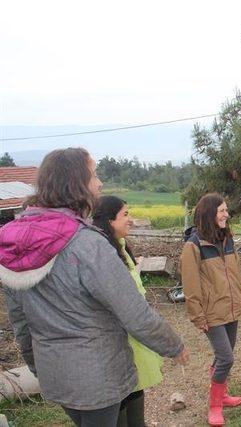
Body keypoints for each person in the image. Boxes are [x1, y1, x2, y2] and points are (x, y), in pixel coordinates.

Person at [0, 148, 189, 427]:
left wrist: (38, 365)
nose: (99, 184)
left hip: (55, 373)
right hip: (97, 377)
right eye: (94, 174)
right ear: (76, 183)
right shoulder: (87, 244)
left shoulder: (12, 243)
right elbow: (134, 311)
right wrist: (174, 345)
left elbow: (20, 320)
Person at [93, 195, 164, 427]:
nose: (130, 220)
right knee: (121, 398)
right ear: (110, 220)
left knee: (136, 388)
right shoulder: (103, 255)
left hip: (134, 337)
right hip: (117, 342)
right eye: (125, 214)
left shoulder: (121, 248)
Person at [179, 192, 241, 427]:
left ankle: (223, 395)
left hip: (232, 308)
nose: (227, 215)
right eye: (222, 211)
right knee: (226, 358)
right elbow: (190, 284)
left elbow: (236, 273)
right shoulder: (193, 246)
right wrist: (197, 315)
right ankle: (215, 405)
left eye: (226, 210)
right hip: (211, 313)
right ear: (210, 214)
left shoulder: (227, 239)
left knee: (224, 357)